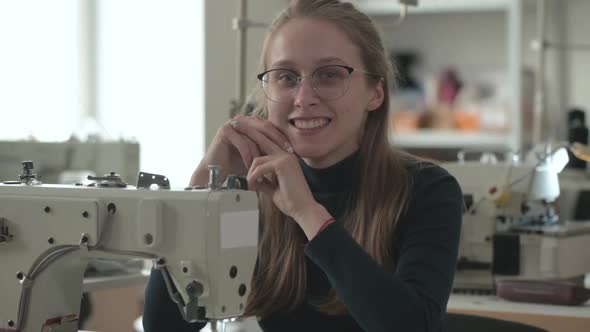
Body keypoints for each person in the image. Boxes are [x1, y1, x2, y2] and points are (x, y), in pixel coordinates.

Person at [143, 1, 463, 331]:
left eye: (329, 75)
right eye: (286, 77)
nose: (303, 97)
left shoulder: (428, 190)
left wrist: (307, 212)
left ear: (375, 93)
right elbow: (164, 328)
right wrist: (199, 191)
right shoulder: (249, 192)